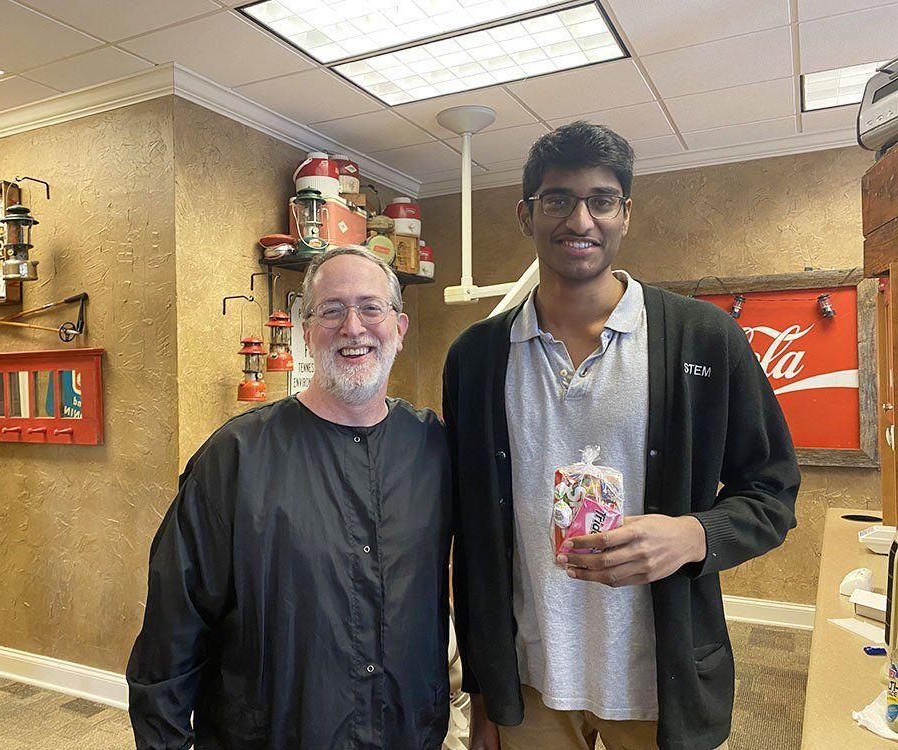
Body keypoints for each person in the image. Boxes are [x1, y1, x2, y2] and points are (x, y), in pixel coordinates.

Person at [442, 121, 800, 750]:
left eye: (600, 200)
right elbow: (471, 536)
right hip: (532, 681)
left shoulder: (704, 340)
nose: (579, 219)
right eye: (557, 199)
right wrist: (486, 693)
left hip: (660, 683)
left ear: (625, 214)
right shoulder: (476, 357)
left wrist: (693, 534)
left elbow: (772, 490)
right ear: (526, 215)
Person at [128, 245, 452, 749]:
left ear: (400, 329)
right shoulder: (236, 457)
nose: (353, 327)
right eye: (331, 310)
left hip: (406, 733)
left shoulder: (433, 449)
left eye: (371, 307)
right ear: (305, 329)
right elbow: (174, 624)